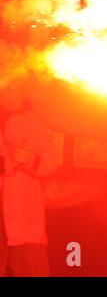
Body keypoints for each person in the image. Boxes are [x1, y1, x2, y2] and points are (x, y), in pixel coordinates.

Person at [0, 97, 58, 277]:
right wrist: (8, 160)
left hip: (25, 223)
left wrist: (30, 160)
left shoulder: (30, 120)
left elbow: (52, 161)